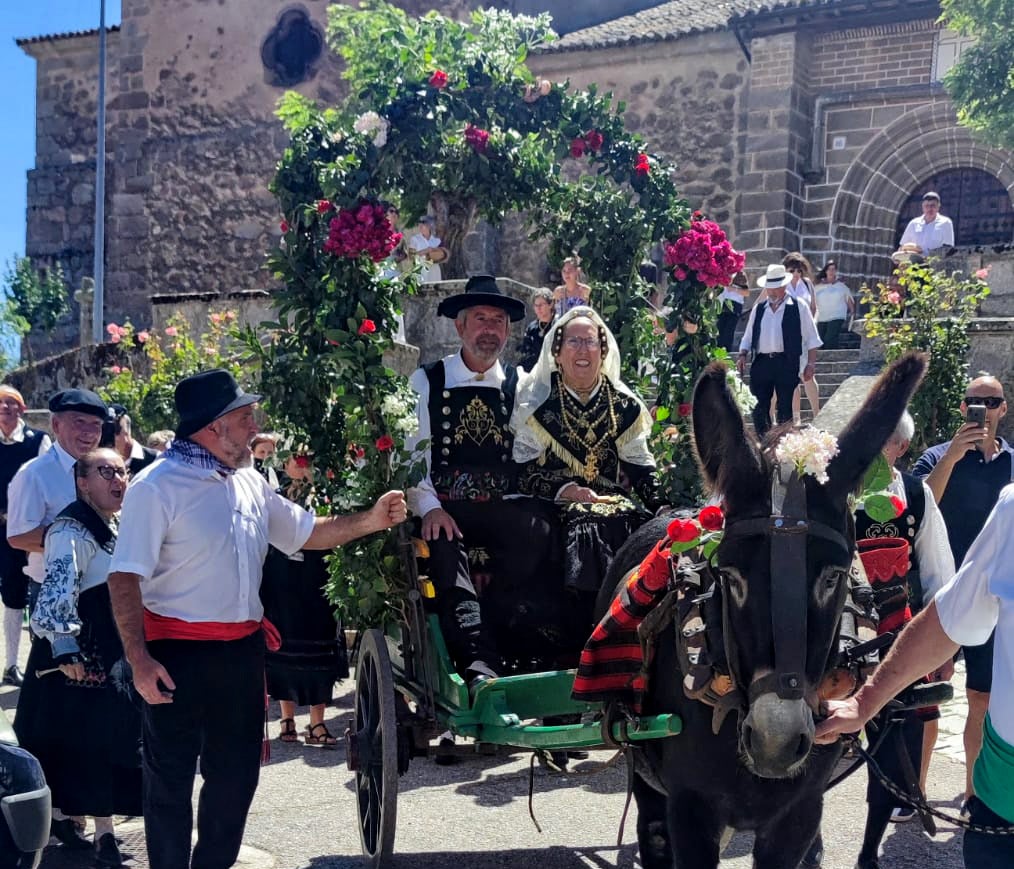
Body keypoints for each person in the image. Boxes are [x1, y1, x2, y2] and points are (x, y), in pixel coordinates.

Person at [105, 369, 406, 869]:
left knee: (237, 776)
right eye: (245, 418)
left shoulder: (248, 481)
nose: (255, 427)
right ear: (213, 426)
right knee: (170, 779)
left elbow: (307, 531)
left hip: (241, 651)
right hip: (176, 653)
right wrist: (138, 661)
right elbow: (124, 578)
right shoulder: (156, 487)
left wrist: (371, 519)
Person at [816, 483, 1014, 867]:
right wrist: (864, 702)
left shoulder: (914, 493)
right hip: (1003, 805)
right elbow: (946, 619)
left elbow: (937, 567)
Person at [404, 275, 556, 685]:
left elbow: (532, 458)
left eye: (498, 321)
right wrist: (430, 507)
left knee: (541, 531)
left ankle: (528, 649)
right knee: (442, 544)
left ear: (508, 330)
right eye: (481, 319)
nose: (490, 329)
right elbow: (413, 455)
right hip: (448, 508)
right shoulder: (427, 382)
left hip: (503, 507)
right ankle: (477, 664)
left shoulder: (521, 385)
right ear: (460, 326)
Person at [14, 448, 140, 864]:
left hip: (111, 645)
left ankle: (97, 827)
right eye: (106, 472)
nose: (117, 479)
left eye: (122, 471)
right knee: (78, 741)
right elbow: (57, 589)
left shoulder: (116, 522)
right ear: (82, 483)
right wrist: (65, 645)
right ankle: (76, 826)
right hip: (76, 653)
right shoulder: (70, 527)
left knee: (105, 740)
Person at [511, 305, 660, 649]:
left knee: (645, 528)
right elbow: (521, 472)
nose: (582, 350)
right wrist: (565, 489)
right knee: (584, 527)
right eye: (574, 342)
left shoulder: (623, 405)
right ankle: (582, 633)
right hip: (553, 504)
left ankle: (635, 631)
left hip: (611, 501)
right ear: (558, 353)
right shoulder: (539, 406)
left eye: (590, 342)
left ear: (602, 351)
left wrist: (661, 504)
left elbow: (639, 464)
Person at [848, 411, 956, 868]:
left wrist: (945, 643)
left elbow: (937, 569)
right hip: (842, 628)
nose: (877, 446)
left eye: (888, 440)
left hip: (897, 633)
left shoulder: (916, 494)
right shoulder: (835, 488)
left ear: (901, 448)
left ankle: (869, 850)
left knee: (896, 742)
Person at [912, 374, 1012, 807]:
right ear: (961, 409)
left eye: (991, 402)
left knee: (982, 697)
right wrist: (952, 456)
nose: (983, 409)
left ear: (1004, 408)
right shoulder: (938, 457)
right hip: (941, 589)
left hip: (993, 597)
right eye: (974, 401)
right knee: (925, 696)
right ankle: (911, 792)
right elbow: (918, 506)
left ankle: (976, 791)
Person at [261, 453, 348, 748]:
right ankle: (287, 718)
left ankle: (317, 722)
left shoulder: (326, 495)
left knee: (320, 650)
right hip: (281, 581)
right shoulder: (272, 494)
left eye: (307, 459)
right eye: (295, 459)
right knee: (282, 647)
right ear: (284, 463)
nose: (301, 464)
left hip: (316, 579)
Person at [7, 388, 107, 622]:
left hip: (102, 588)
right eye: (79, 422)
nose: (89, 432)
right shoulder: (34, 474)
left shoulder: (106, 469)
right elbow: (18, 536)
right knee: (60, 659)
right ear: (56, 424)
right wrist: (79, 539)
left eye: (96, 425)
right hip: (53, 590)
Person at [0, 385, 51, 687]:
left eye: (11, 403)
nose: (5, 408)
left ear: (22, 408)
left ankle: (14, 665)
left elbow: (44, 482)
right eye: (0, 404)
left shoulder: (37, 441)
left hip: (23, 532)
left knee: (20, 593)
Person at [737, 264, 821, 438]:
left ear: (783, 286)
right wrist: (743, 354)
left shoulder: (799, 307)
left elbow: (812, 338)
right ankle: (764, 441)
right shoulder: (759, 309)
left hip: (787, 361)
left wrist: (811, 364)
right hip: (762, 361)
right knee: (760, 405)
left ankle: (783, 442)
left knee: (785, 406)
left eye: (776, 287)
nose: (772, 292)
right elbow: (749, 335)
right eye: (769, 287)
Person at [101, 405, 158, 476]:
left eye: (114, 430)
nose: (108, 437)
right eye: (103, 430)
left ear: (127, 431)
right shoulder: (95, 463)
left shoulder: (156, 460)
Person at [813, 260, 855, 350]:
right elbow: (813, 303)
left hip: (837, 316)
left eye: (833, 269)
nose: (831, 271)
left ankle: (831, 358)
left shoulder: (842, 287)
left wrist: (852, 313)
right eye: (829, 269)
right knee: (820, 341)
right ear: (826, 271)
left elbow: (850, 302)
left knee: (829, 338)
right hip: (821, 317)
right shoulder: (817, 287)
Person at [899, 191, 955, 257]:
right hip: (914, 264)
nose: (929, 209)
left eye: (932, 206)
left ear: (938, 206)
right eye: (927, 206)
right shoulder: (913, 223)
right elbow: (903, 246)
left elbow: (948, 248)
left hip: (935, 264)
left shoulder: (946, 223)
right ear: (922, 206)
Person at [517, 287, 555, 371]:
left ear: (550, 304)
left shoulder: (557, 326)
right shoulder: (532, 327)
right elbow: (526, 352)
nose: (538, 308)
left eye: (541, 305)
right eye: (536, 305)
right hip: (532, 370)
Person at [716, 271, 749, 352]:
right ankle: (717, 351)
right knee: (719, 329)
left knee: (729, 331)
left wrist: (734, 289)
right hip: (721, 304)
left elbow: (746, 293)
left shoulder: (740, 274)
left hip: (735, 305)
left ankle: (726, 352)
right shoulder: (719, 272)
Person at [408, 215, 447, 283]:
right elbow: (411, 257)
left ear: (430, 225)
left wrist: (435, 251)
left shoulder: (437, 240)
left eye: (423, 222)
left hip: (434, 270)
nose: (420, 224)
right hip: (421, 270)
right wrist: (426, 251)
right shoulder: (414, 239)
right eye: (419, 222)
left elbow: (444, 255)